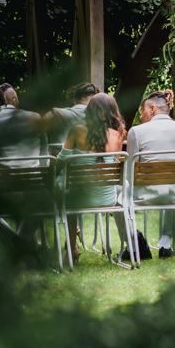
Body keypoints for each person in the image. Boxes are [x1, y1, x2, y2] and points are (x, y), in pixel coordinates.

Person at [125, 89, 175, 259]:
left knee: (120, 193)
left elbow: (129, 172)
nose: (141, 116)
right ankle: (165, 242)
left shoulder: (136, 132)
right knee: (173, 186)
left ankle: (133, 243)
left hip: (146, 195)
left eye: (143, 111)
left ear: (152, 109)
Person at [58, 93, 126, 263]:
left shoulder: (77, 131)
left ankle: (72, 247)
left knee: (64, 192)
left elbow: (61, 161)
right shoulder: (118, 135)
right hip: (108, 199)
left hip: (78, 198)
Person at [0, 84, 48, 254]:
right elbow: (44, 158)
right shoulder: (36, 119)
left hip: (4, 194)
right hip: (37, 192)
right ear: (15, 101)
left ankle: (14, 243)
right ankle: (23, 245)